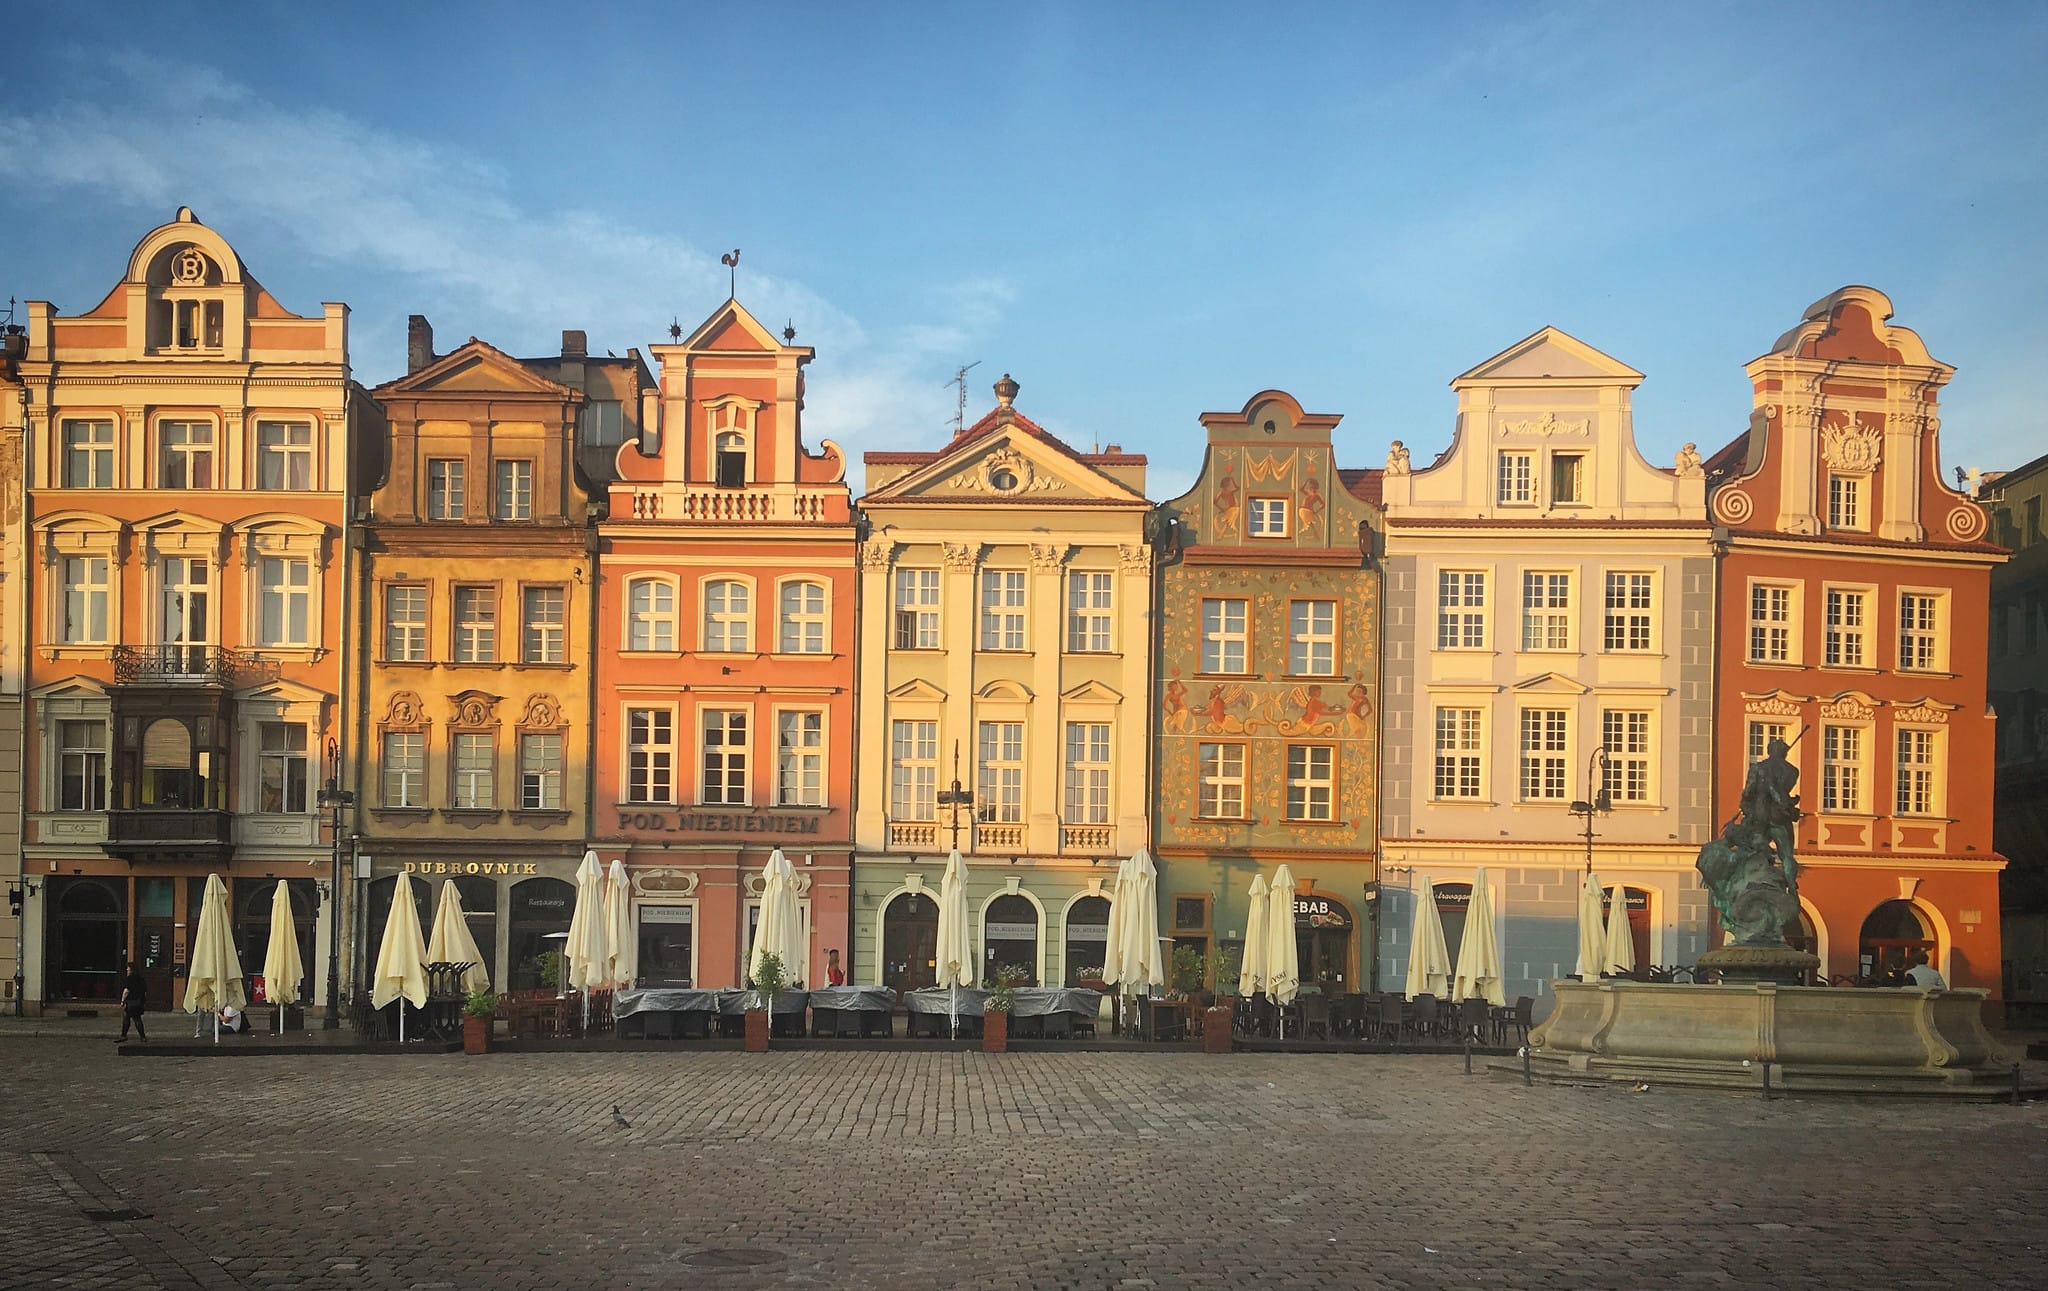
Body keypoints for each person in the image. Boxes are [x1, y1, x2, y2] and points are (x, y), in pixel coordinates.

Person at [117, 964, 148, 1043]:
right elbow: (145, 992)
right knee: (135, 1019)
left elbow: (126, 991)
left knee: (129, 1019)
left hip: (130, 1001)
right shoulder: (141, 979)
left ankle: (124, 1035)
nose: (127, 970)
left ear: (131, 970)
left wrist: (122, 1001)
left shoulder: (129, 979)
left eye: (128, 969)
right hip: (139, 1002)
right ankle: (142, 1037)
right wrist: (143, 1001)